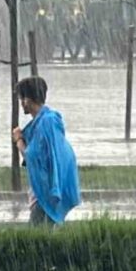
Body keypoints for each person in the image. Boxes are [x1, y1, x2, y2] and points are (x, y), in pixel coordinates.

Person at [11, 76, 81, 226]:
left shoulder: (46, 122)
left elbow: (33, 156)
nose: (21, 103)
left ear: (27, 100)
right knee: (43, 235)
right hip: (45, 191)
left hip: (46, 192)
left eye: (22, 98)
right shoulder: (44, 122)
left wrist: (19, 140)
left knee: (34, 238)